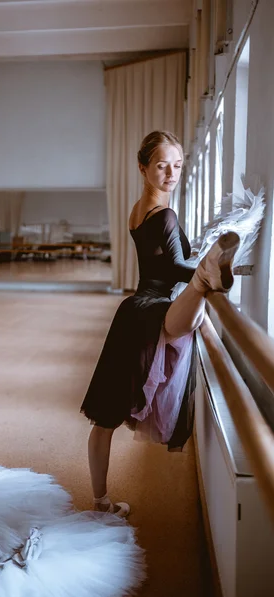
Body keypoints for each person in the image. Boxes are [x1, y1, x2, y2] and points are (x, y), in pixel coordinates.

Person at [80, 130, 239, 517]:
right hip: (151, 310)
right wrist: (197, 268)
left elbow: (162, 260)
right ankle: (207, 278)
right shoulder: (164, 213)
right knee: (107, 416)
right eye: (161, 165)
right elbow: (169, 267)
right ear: (143, 168)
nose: (171, 173)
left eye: (178, 165)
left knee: (105, 417)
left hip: (137, 308)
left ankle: (100, 501)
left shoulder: (140, 208)